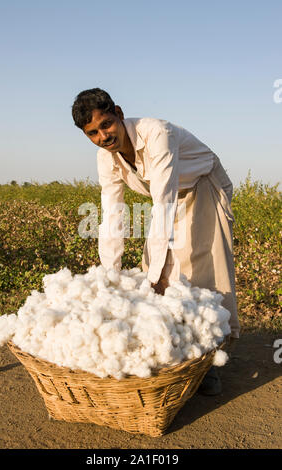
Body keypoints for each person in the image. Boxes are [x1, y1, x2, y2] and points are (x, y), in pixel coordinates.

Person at [71, 88, 240, 395]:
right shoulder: (105, 159)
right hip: (170, 196)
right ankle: (180, 355)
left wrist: (158, 274)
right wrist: (110, 277)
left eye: (106, 124)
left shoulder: (156, 133)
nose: (103, 136)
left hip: (203, 184)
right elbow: (112, 215)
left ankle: (212, 360)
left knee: (201, 270)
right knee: (157, 268)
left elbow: (162, 202)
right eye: (92, 133)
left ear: (119, 114)